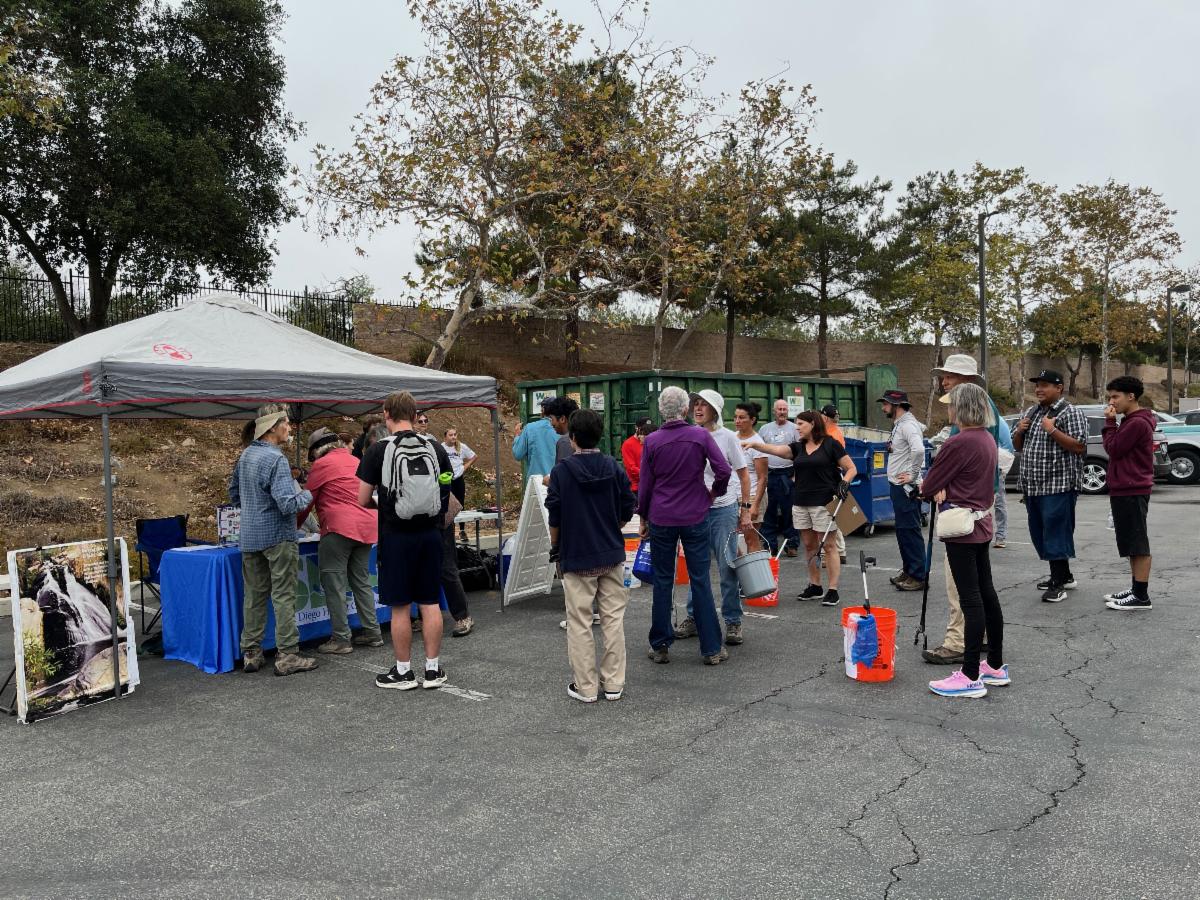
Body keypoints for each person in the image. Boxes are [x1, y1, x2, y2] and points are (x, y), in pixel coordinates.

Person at [357, 390, 454, 691]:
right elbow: (446, 486)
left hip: (395, 535)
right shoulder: (434, 447)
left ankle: (403, 672)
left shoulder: (378, 450)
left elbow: (362, 498)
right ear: (415, 416)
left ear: (386, 415)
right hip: (430, 534)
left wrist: (385, 506)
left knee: (400, 606)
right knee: (429, 602)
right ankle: (433, 670)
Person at [922, 354, 1015, 665]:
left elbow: (935, 481)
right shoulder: (984, 422)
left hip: (964, 514)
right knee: (980, 587)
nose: (944, 381)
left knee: (962, 587)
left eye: (950, 376)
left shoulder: (971, 426)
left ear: (968, 382)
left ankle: (959, 643)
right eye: (944, 375)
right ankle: (983, 643)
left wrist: (947, 484)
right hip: (979, 511)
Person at [546, 409, 637, 702]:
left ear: (572, 437)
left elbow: (555, 513)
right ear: (600, 435)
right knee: (613, 620)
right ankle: (613, 683)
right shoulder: (613, 466)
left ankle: (585, 687)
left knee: (580, 622)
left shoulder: (562, 472)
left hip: (576, 554)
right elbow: (628, 504)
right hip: (610, 551)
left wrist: (555, 544)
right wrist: (613, 525)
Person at [638, 385, 732, 666]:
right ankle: (711, 648)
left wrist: (643, 516)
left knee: (662, 580)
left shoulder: (652, 441)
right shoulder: (700, 435)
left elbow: (645, 484)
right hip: (694, 513)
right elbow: (723, 469)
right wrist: (713, 493)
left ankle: (660, 645)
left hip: (661, 516)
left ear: (661, 411)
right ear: (685, 409)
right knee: (700, 578)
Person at [228, 404, 317, 677]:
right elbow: (288, 504)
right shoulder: (275, 459)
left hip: (250, 536)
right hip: (278, 537)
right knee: (284, 596)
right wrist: (309, 493)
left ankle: (251, 653)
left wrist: (254, 508)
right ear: (273, 427)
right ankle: (287, 654)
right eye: (286, 423)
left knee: (254, 596)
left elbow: (234, 494)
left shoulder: (246, 455)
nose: (290, 428)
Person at [746, 410, 857, 607]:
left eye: (800, 424)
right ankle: (815, 586)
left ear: (813, 424)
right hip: (800, 502)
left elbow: (851, 468)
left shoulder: (831, 444)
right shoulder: (798, 447)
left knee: (829, 546)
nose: (796, 428)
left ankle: (833, 590)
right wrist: (755, 444)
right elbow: (776, 450)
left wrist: (844, 483)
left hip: (824, 502)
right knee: (809, 546)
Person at [673, 390, 752, 647]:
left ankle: (733, 620)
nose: (697, 408)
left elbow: (744, 475)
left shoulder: (728, 437)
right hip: (696, 510)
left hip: (723, 509)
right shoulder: (689, 435)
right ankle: (694, 617)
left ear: (715, 410)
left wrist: (745, 509)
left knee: (727, 566)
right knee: (697, 567)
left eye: (703, 405)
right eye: (695, 404)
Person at [299, 427, 385, 655]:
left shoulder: (321, 465)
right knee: (361, 581)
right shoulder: (355, 460)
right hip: (367, 525)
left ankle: (341, 638)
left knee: (334, 584)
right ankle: (373, 632)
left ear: (317, 450)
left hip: (339, 528)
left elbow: (305, 502)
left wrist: (294, 526)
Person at [1012, 370, 1087, 603]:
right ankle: (1064, 575)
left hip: (1058, 484)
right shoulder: (1032, 412)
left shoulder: (1070, 412)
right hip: (1033, 485)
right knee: (1041, 533)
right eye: (1037, 385)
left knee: (1056, 532)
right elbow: (1018, 446)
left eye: (1045, 385)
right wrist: (1019, 430)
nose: (1039, 389)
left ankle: (1057, 584)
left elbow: (1079, 446)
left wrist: (1052, 430)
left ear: (1059, 388)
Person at [931, 355, 1013, 548]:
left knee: (963, 554)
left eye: (950, 376)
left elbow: (967, 456)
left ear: (967, 378)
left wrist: (940, 481)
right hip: (972, 495)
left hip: (968, 498)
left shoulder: (977, 407)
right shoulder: (972, 405)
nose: (944, 382)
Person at [1100, 376, 1156, 611]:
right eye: (1110, 397)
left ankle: (1141, 597)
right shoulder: (1131, 420)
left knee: (1137, 543)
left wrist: (1109, 422)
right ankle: (1135, 589)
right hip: (1126, 487)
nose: (1111, 402)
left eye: (1115, 396)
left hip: (1132, 488)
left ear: (1131, 396)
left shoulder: (1136, 423)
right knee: (1131, 543)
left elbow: (1114, 449)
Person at [879, 390, 927, 592]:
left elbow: (919, 450)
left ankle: (918, 576)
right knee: (903, 531)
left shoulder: (907, 425)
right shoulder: (901, 424)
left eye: (886, 404)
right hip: (899, 486)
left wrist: (913, 475)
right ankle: (909, 570)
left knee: (910, 531)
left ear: (897, 406)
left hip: (905, 488)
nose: (883, 408)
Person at [758, 399, 800, 557]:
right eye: (779, 409)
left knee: (789, 512)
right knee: (768, 512)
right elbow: (758, 452)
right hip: (769, 474)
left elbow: (800, 453)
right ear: (773, 411)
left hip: (787, 475)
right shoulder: (764, 429)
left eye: (784, 409)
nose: (782, 412)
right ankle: (770, 545)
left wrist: (796, 476)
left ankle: (792, 544)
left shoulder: (795, 429)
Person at [733, 402, 769, 552]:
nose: (737, 421)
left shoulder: (758, 444)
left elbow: (763, 478)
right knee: (732, 539)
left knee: (751, 539)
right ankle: (741, 566)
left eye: (742, 418)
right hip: (733, 495)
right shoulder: (732, 438)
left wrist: (755, 506)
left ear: (752, 420)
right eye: (735, 417)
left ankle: (756, 567)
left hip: (753, 494)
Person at [512, 396, 568, 479]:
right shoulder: (563, 429)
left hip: (535, 483)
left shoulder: (529, 428)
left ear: (543, 410)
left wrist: (517, 436)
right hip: (557, 481)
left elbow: (518, 454)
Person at [820, 404, 848, 564]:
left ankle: (833, 552)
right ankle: (840, 550)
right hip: (834, 474)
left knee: (828, 515)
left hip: (830, 476)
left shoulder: (830, 434)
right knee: (832, 514)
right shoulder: (835, 431)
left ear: (825, 417)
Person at [442, 427, 477, 507]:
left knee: (460, 503)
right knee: (447, 504)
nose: (453, 437)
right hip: (447, 479)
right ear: (445, 437)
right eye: (451, 435)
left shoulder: (461, 446)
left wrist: (464, 467)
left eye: (455, 435)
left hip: (458, 478)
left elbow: (474, 456)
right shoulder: (441, 447)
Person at [621, 416, 654, 496]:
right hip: (636, 488)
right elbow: (631, 468)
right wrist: (648, 475)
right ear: (636, 427)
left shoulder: (651, 441)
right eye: (643, 428)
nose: (646, 431)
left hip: (651, 485)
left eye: (648, 428)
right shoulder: (628, 444)